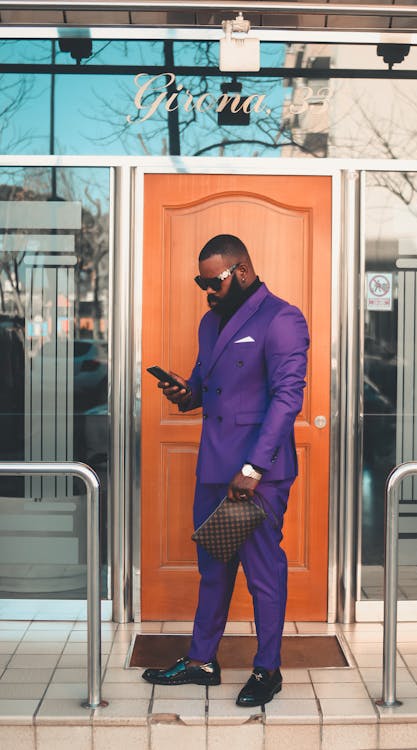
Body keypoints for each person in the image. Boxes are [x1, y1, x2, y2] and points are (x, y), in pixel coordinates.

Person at [142, 234, 309, 707]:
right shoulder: (210, 323)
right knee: (213, 569)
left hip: (257, 474)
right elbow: (202, 387)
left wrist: (254, 467)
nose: (205, 290)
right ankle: (202, 662)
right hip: (214, 467)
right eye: (199, 282)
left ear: (239, 271)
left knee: (263, 572)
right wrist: (184, 394)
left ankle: (268, 670)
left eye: (210, 280)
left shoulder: (282, 319)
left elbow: (286, 399)